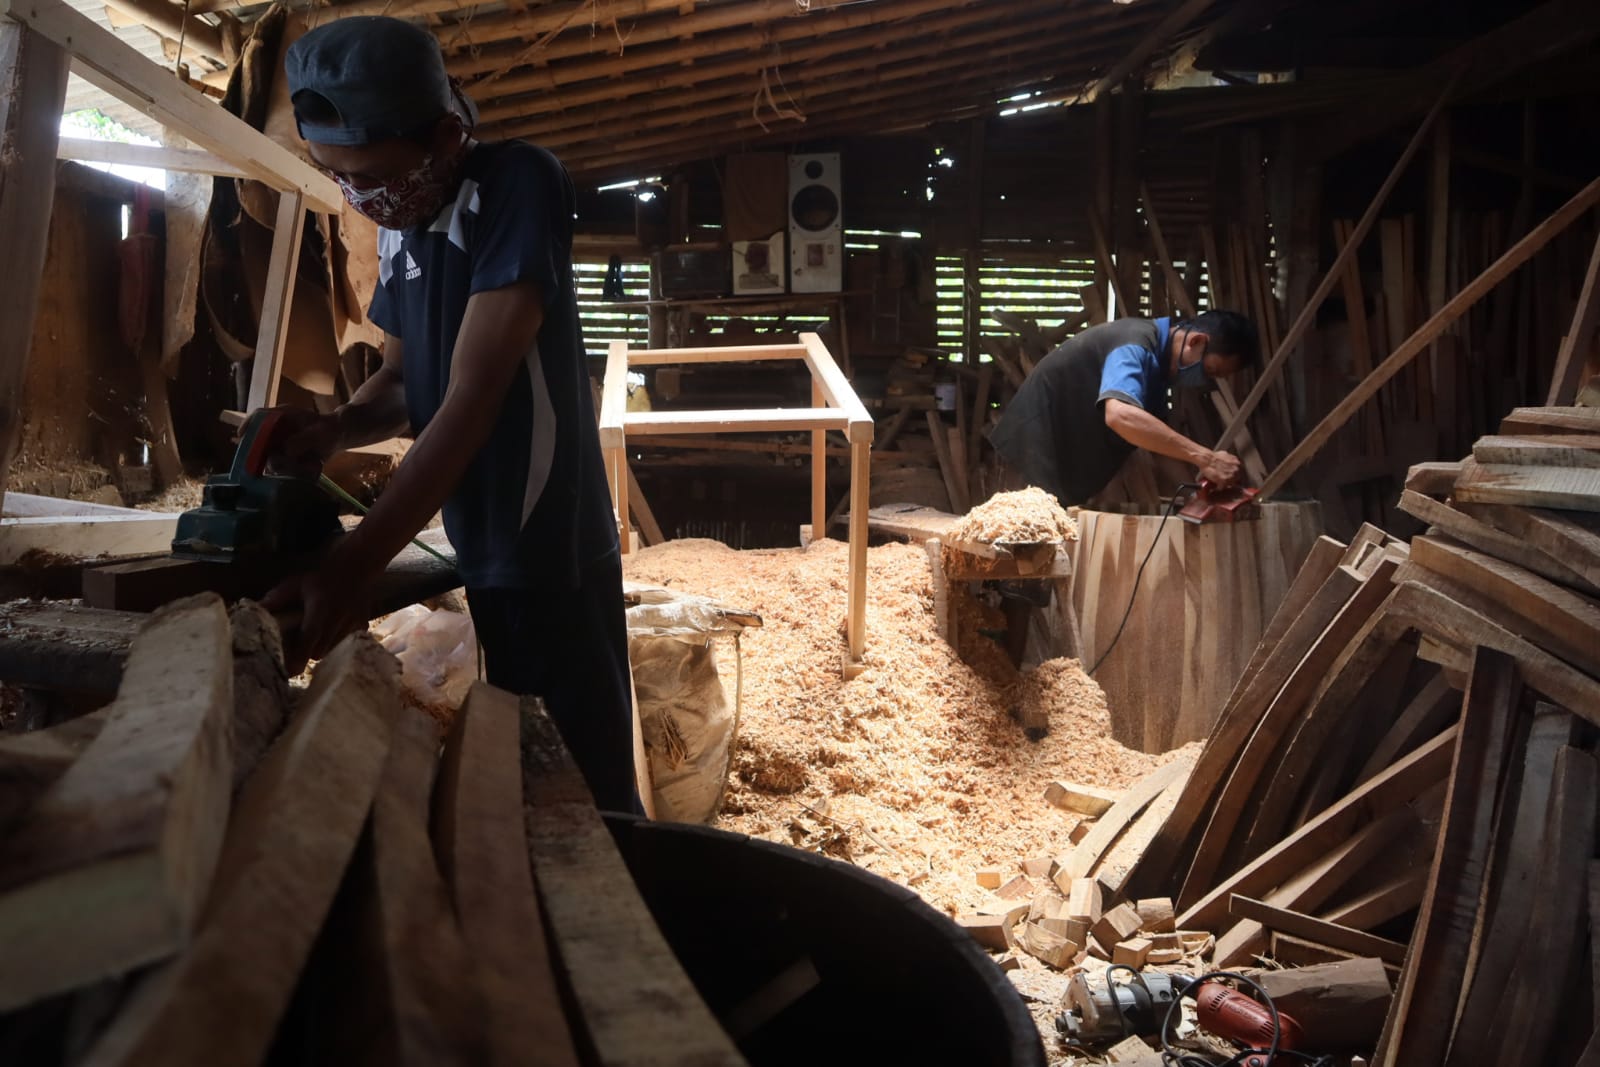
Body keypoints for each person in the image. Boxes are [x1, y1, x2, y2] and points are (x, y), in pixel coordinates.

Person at [262, 16, 637, 812]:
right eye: (337, 174)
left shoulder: (516, 186)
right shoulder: (402, 226)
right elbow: (402, 383)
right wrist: (333, 430)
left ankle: (628, 919)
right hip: (482, 534)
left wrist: (355, 561)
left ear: (443, 133)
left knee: (581, 786)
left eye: (368, 173)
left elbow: (471, 397)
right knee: (530, 761)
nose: (357, 194)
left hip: (545, 538)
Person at [988, 310, 1260, 507]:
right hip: (1030, 454)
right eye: (1210, 370)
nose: (1204, 379)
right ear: (1196, 341)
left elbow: (1159, 445)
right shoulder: (1134, 344)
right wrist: (1207, 459)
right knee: (1019, 562)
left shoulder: (1157, 367)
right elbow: (1120, 415)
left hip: (1056, 463)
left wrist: (1193, 497)